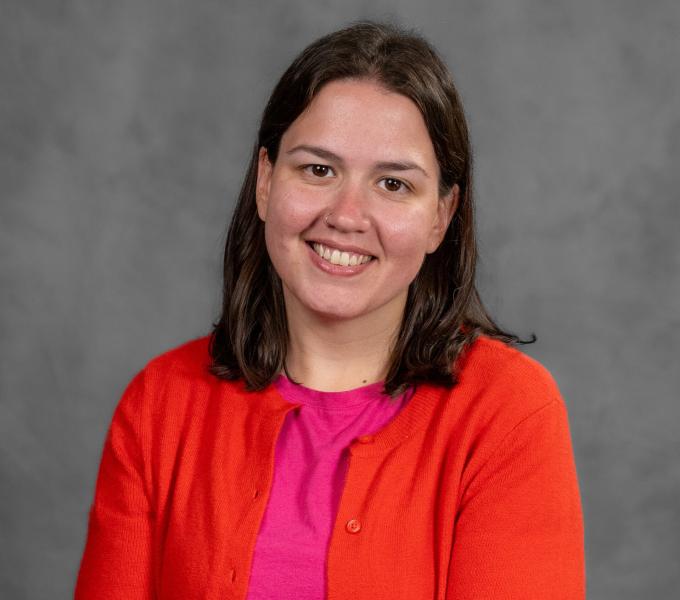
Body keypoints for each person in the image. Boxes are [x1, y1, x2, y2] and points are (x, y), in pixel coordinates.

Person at [75, 21, 585, 600]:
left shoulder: (508, 414)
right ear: (266, 182)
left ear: (441, 216)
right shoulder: (159, 406)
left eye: (393, 184)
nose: (347, 214)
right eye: (318, 170)